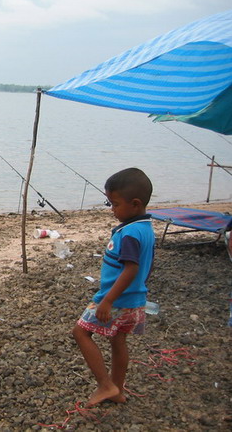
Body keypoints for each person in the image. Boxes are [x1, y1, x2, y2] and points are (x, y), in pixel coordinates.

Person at [72, 168, 155, 407]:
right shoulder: (145, 228)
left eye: (115, 204)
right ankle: (117, 390)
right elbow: (146, 266)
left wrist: (107, 301)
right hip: (135, 299)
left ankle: (105, 385)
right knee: (118, 341)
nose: (112, 210)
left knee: (80, 332)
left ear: (136, 204)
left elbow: (131, 269)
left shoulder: (129, 233)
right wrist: (140, 288)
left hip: (115, 300)